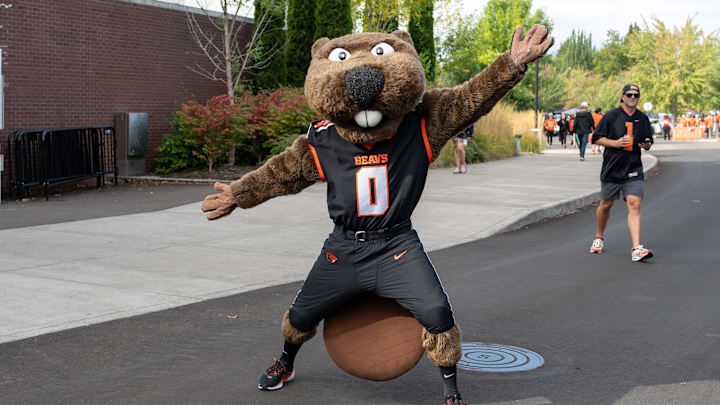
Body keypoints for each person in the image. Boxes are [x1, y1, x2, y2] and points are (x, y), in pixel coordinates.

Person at [589, 84, 653, 262]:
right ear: (623, 97)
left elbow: (648, 140)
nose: (633, 97)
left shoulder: (642, 118)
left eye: (636, 95)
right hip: (612, 168)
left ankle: (636, 248)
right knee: (606, 204)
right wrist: (616, 143)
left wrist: (646, 144)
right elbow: (596, 138)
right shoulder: (611, 116)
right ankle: (599, 237)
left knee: (634, 203)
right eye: (629, 95)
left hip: (633, 168)